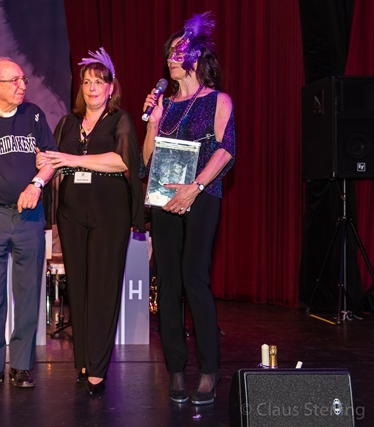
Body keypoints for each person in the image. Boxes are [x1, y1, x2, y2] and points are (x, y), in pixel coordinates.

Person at [37, 48, 145, 395]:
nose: (92, 88)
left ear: (111, 87)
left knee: (102, 288)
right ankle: (83, 360)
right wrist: (44, 163)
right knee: (79, 289)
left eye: (99, 82)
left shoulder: (120, 120)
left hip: (109, 215)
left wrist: (71, 159)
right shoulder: (67, 123)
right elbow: (53, 161)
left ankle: (98, 366)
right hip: (71, 214)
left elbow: (122, 161)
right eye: (86, 82)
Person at [140, 12, 235, 405]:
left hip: (201, 196)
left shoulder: (217, 100)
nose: (171, 58)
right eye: (169, 53)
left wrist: (195, 188)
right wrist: (152, 124)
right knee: (169, 283)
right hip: (164, 197)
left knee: (195, 279)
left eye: (178, 52)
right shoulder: (165, 104)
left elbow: (226, 150)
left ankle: (209, 370)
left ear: (196, 56)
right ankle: (176, 370)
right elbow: (146, 161)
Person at [0, 57, 56, 391]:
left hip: (29, 215)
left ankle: (21, 365)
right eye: (14, 81)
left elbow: (50, 159)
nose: (21, 86)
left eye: (23, 80)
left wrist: (37, 184)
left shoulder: (33, 115)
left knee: (28, 292)